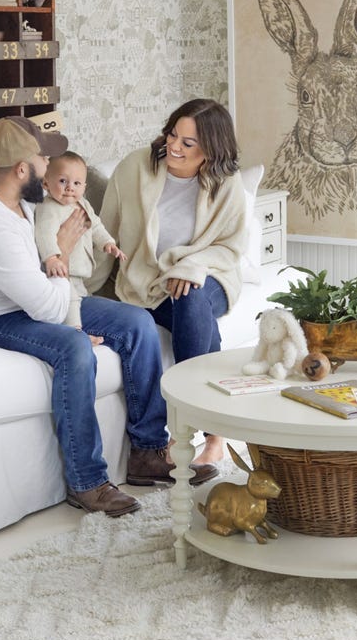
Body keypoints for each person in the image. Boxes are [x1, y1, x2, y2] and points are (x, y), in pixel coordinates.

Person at [0, 116, 218, 519]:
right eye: (43, 160)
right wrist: (64, 247)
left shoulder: (4, 190)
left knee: (138, 323)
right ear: (21, 169)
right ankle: (87, 482)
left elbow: (50, 281)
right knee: (75, 348)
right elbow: (49, 309)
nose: (49, 169)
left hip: (41, 292)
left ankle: (148, 453)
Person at [98, 98, 247, 468]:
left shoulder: (227, 183)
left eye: (187, 143)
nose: (174, 147)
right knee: (195, 316)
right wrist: (80, 297)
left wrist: (192, 266)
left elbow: (230, 247)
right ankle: (215, 436)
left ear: (211, 150)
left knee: (192, 298)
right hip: (149, 282)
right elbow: (105, 232)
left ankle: (182, 434)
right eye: (172, 135)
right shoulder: (136, 167)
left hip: (211, 278)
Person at [35, 150, 124, 328]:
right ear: (46, 183)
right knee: (71, 299)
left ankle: (80, 324)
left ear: (84, 187)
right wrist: (51, 258)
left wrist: (108, 242)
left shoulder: (83, 203)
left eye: (76, 183)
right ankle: (74, 330)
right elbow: (43, 234)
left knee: (82, 300)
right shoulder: (48, 208)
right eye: (62, 181)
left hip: (80, 273)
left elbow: (96, 224)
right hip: (60, 270)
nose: (70, 188)